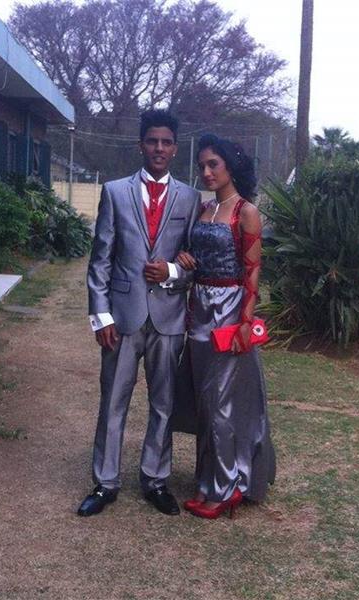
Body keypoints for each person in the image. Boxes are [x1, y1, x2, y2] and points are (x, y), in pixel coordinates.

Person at [77, 110, 201, 517]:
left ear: (175, 148)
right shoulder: (115, 192)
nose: (159, 148)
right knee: (113, 400)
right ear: (141, 145)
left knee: (163, 403)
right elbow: (101, 259)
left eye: (166, 142)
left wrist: (173, 271)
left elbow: (194, 263)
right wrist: (101, 316)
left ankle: (155, 480)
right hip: (123, 317)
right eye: (152, 141)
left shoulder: (190, 198)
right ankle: (105, 482)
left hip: (169, 318)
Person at [174, 133, 276, 519]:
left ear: (230, 166)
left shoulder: (246, 211)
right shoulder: (203, 209)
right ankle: (207, 482)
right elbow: (194, 256)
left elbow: (253, 272)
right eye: (202, 165)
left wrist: (246, 322)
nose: (206, 171)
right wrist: (185, 258)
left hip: (229, 312)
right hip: (199, 308)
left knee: (220, 402)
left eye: (213, 164)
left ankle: (227, 487)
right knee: (205, 401)